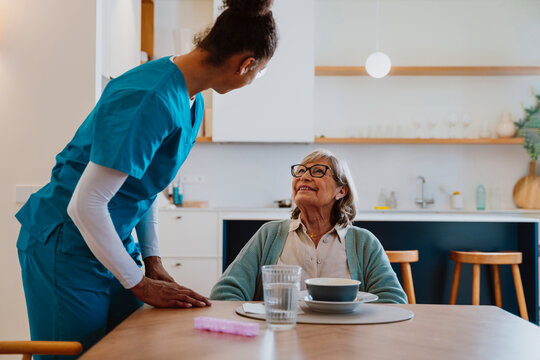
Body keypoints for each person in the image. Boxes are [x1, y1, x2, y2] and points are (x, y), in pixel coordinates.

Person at [15, 0, 278, 356]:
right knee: (77, 353)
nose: (254, 77)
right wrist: (138, 283)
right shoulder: (150, 96)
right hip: (66, 243)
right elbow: (85, 204)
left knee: (131, 347)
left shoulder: (192, 99)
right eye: (259, 72)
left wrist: (151, 260)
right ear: (247, 64)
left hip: (112, 239)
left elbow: (144, 188)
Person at [210, 149, 407, 303]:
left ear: (341, 191)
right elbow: (226, 292)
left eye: (318, 171)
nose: (303, 176)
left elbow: (394, 300)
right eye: (300, 171)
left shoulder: (364, 242)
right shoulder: (269, 234)